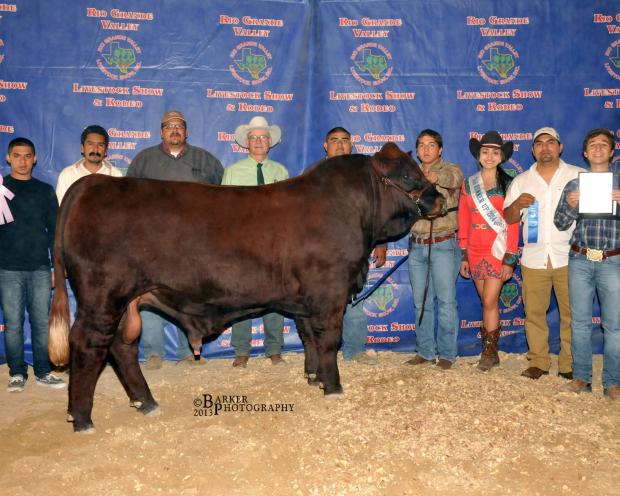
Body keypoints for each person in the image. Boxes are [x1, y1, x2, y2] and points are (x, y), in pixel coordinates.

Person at [126, 110, 224, 369]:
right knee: (151, 292)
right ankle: (154, 352)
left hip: (194, 243)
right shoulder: (143, 161)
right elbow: (129, 201)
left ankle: (186, 350)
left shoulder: (206, 160)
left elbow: (222, 198)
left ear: (187, 131)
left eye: (179, 126)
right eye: (169, 126)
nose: (174, 130)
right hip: (154, 242)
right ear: (161, 132)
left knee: (188, 294)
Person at [504, 127, 582, 380]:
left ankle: (569, 364)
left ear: (560, 147)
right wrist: (516, 205)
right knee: (534, 313)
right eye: (539, 143)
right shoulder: (521, 181)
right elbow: (508, 217)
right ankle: (539, 361)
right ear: (533, 150)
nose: (545, 147)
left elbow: (596, 213)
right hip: (534, 257)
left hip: (570, 256)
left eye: (550, 142)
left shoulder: (579, 176)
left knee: (572, 314)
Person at [554, 128, 619, 399]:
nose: (598, 149)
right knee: (579, 322)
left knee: (614, 325)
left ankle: (613, 381)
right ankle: (581, 377)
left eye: (604, 144)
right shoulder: (574, 185)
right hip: (580, 258)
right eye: (592, 145)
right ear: (584, 152)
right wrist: (570, 204)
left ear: (612, 152)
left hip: (612, 260)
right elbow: (560, 222)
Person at [222, 115, 288, 368]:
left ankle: (274, 349)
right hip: (242, 246)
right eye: (254, 137)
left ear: (270, 142)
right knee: (241, 297)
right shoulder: (233, 172)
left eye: (263, 137)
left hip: (274, 245)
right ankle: (242, 350)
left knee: (276, 297)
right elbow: (224, 212)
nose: (259, 141)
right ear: (246, 143)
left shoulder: (280, 172)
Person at [0, 137, 65, 391]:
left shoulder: (45, 190)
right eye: (17, 156)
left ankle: (42, 371)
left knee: (40, 322)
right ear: (8, 158)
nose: (23, 161)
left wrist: (53, 267)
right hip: (7, 269)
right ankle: (17, 372)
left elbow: (55, 233)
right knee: (13, 323)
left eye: (28, 156)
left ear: (35, 159)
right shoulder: (0, 190)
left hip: (39, 268)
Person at [323, 126, 387, 365]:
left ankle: (355, 349)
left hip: (355, 248)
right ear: (325, 146)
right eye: (334, 140)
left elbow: (377, 210)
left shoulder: (365, 175)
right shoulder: (314, 174)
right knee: (321, 300)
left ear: (352, 144)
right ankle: (323, 352)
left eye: (344, 140)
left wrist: (380, 242)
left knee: (354, 298)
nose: (340, 145)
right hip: (321, 249)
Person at [458, 131, 520, 371]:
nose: (490, 156)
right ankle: (490, 353)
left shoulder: (509, 183)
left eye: (495, 152)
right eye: (485, 152)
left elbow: (513, 222)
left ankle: (489, 351)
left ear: (502, 157)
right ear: (479, 155)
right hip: (474, 250)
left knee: (489, 300)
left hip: (497, 250)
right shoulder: (468, 184)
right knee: (486, 303)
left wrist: (510, 257)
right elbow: (463, 219)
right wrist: (463, 252)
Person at [405, 129, 464, 370]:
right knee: (421, 303)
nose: (426, 149)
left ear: (440, 150)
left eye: (431, 145)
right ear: (417, 150)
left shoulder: (451, 169)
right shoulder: (409, 175)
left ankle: (448, 354)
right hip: (417, 245)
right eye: (421, 145)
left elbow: (454, 182)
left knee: (447, 302)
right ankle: (425, 351)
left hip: (443, 243)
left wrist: (433, 178)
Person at [55, 125, 123, 203]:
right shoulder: (68, 175)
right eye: (90, 144)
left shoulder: (116, 175)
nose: (95, 149)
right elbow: (62, 209)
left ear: (106, 151)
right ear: (82, 148)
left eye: (100, 145)